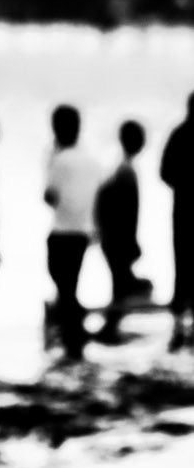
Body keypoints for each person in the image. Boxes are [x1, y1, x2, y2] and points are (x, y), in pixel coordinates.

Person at [43, 105, 103, 363]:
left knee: (64, 288)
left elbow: (49, 196)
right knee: (70, 286)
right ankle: (74, 336)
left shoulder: (58, 160)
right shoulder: (91, 161)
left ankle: (74, 337)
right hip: (83, 230)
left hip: (62, 230)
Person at [95, 120, 149, 343]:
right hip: (118, 237)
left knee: (120, 284)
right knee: (121, 285)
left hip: (113, 236)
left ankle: (110, 327)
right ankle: (109, 329)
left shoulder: (120, 169)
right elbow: (128, 212)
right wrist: (130, 240)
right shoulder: (126, 171)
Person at [159, 93, 194, 351]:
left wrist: (182, 187)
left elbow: (164, 172)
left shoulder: (179, 134)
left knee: (181, 264)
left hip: (182, 208)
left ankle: (178, 325)